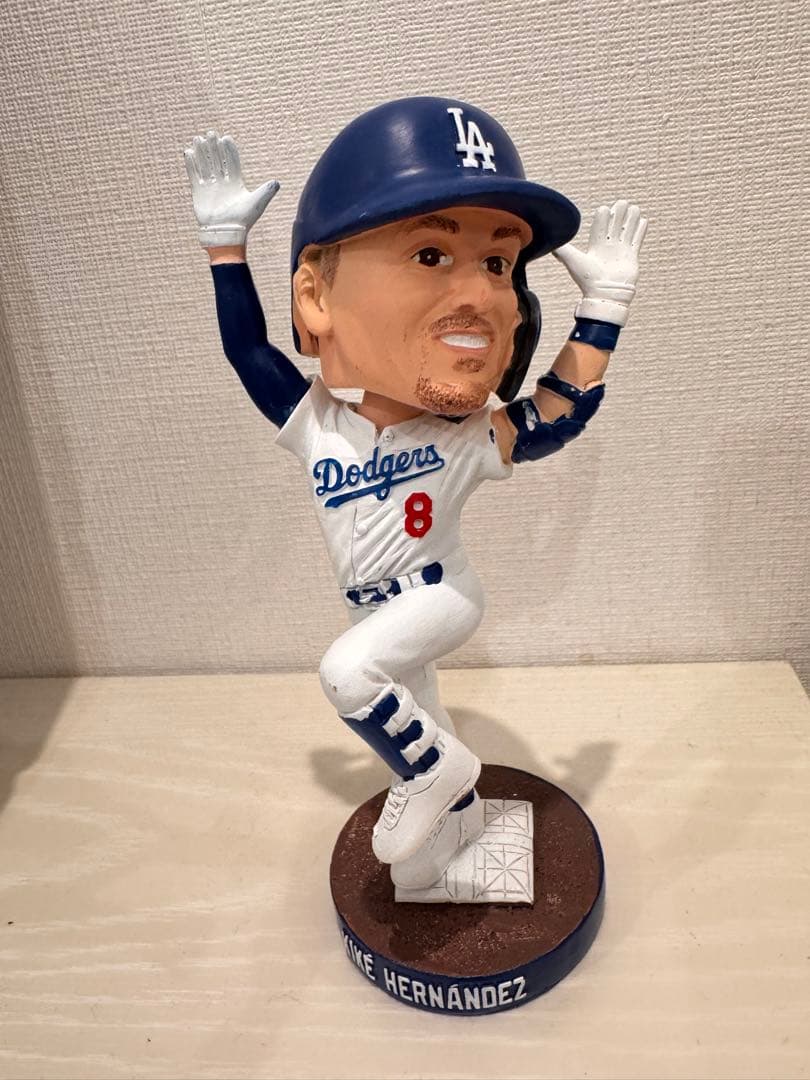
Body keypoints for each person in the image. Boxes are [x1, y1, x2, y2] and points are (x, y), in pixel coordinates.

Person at [184, 97, 646, 890]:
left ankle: (436, 773)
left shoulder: (462, 438)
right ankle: (452, 822)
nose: (482, 295)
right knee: (418, 715)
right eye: (431, 254)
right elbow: (247, 351)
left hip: (439, 594)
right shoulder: (319, 424)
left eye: (497, 264)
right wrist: (225, 246)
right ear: (316, 297)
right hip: (373, 607)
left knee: (349, 676)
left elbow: (554, 414)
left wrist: (604, 308)